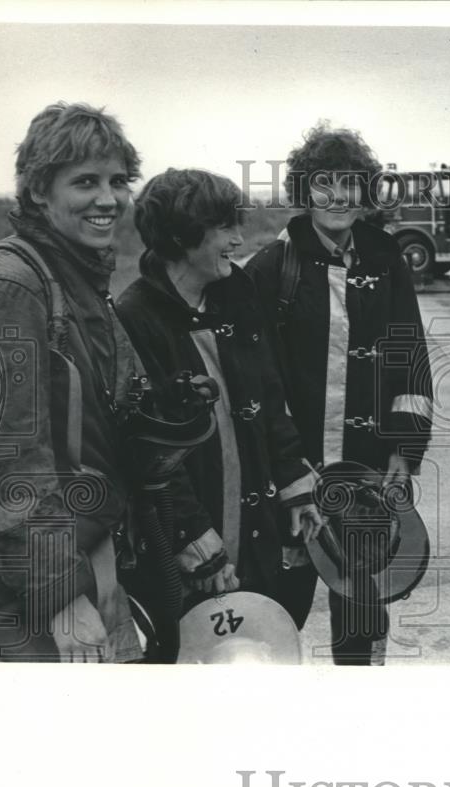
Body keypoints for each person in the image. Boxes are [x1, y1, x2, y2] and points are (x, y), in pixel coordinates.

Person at [0, 102, 145, 662]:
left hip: (87, 554)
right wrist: (60, 598)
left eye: (117, 182)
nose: (107, 199)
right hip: (28, 589)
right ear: (39, 190)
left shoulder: (72, 276)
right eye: (85, 182)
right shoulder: (8, 288)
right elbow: (0, 463)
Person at [245, 123, 433, 665]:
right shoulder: (269, 269)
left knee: (364, 614)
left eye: (351, 183)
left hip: (369, 474)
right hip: (292, 480)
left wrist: (404, 448)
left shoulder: (387, 259)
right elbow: (258, 385)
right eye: (324, 183)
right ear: (305, 191)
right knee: (277, 616)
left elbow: (410, 358)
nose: (339, 196)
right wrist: (285, 473)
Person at [115, 168, 323, 630]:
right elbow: (148, 455)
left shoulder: (237, 293)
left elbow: (269, 399)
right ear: (181, 237)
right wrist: (191, 538)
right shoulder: (134, 318)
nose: (238, 238)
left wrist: (294, 484)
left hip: (260, 532)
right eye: (225, 227)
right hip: (188, 553)